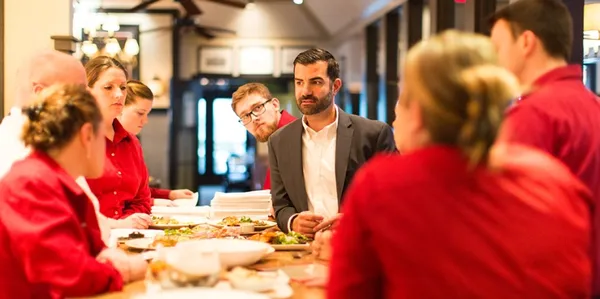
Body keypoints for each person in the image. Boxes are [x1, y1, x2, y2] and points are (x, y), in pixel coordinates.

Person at [327, 30, 592, 299]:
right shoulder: (557, 180)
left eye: (402, 98)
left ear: (417, 112)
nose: (395, 114)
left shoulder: (381, 188)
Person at [490, 0, 600, 293]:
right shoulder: (593, 105)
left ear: (526, 42)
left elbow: (507, 219)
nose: (495, 60)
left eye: (498, 48)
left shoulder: (533, 115)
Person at [0, 84, 147, 298]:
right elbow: (70, 274)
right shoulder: (31, 182)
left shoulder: (59, 180)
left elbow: (90, 249)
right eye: (103, 136)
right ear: (87, 135)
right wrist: (130, 270)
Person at [268, 48, 396, 237]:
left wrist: (355, 219)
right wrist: (292, 221)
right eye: (299, 82)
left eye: (316, 82)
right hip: (303, 251)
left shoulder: (374, 134)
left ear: (335, 86)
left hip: (357, 247)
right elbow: (281, 205)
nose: (305, 91)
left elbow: (394, 198)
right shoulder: (278, 141)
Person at [0, 49, 111, 243]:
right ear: (41, 94)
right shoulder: (19, 152)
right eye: (78, 91)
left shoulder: (53, 140)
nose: (89, 100)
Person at [85, 57, 152, 229]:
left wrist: (129, 222)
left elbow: (142, 199)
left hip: (129, 236)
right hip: (90, 238)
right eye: (108, 87)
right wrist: (117, 225)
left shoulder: (132, 143)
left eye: (123, 88)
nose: (119, 94)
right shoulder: (76, 140)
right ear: (87, 91)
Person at [118, 79, 194, 205]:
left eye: (147, 114)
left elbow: (139, 192)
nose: (145, 120)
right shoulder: (100, 142)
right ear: (119, 108)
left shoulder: (133, 143)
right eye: (140, 113)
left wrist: (170, 194)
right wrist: (157, 202)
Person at [231, 82, 297, 190]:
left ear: (275, 105)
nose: (254, 119)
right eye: (245, 116)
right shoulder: (277, 140)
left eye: (257, 108)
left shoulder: (295, 136)